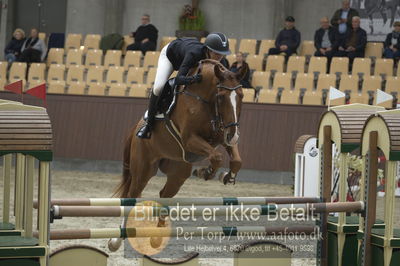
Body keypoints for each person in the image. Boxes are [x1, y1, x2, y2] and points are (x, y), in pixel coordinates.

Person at [137, 33, 231, 139]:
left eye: (222, 54)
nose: (219, 57)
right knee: (159, 87)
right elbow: (178, 79)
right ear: (208, 50)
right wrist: (193, 79)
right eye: (217, 53)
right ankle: (148, 124)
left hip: (186, 55)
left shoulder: (221, 61)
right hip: (171, 57)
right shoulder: (193, 54)